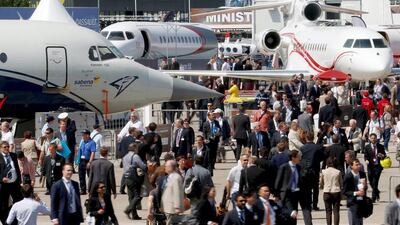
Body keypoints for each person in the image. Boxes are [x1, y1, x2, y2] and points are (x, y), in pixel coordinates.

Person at [275, 150, 301, 225]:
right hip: (286, 194)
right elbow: (278, 181)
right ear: (293, 158)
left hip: (295, 194)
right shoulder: (284, 167)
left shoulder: (298, 167)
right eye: (298, 157)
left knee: (294, 214)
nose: (300, 158)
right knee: (289, 213)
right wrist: (277, 195)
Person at [299, 131, 324, 211]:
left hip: (305, 170)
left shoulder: (302, 148)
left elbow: (301, 159)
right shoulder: (317, 147)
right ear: (313, 138)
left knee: (307, 188)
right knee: (315, 188)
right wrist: (316, 161)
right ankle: (314, 205)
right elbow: (322, 157)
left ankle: (308, 203)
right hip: (315, 169)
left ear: (306, 138)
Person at [0, 141, 23, 224]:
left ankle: (17, 219)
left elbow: (17, 168)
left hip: (14, 183)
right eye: (4, 147)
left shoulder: (13, 155)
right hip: (4, 184)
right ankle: (5, 220)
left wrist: (20, 180)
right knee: (4, 204)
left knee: (18, 201)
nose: (7, 148)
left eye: (7, 147)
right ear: (0, 148)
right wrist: (1, 179)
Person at [123, 143, 147, 220]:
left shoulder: (125, 156)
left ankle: (134, 215)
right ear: (134, 148)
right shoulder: (135, 156)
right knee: (137, 196)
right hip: (134, 178)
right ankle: (128, 209)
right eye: (136, 148)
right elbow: (143, 166)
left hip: (126, 178)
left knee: (131, 197)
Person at [343, 159, 367, 225]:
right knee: (353, 222)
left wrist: (365, 186)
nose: (359, 166)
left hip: (361, 202)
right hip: (353, 202)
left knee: (360, 222)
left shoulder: (362, 174)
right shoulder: (348, 177)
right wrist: (356, 193)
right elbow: (344, 191)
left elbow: (365, 188)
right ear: (351, 166)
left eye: (359, 164)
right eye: (356, 165)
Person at [364, 133, 386, 202]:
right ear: (370, 139)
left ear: (376, 139)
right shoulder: (367, 147)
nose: (373, 139)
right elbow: (365, 155)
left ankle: (373, 198)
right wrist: (366, 160)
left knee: (375, 182)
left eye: (374, 138)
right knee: (370, 181)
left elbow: (384, 155)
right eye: (372, 138)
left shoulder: (380, 146)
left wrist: (382, 155)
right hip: (370, 166)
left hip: (378, 166)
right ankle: (377, 192)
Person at [320, 157, 342, 225]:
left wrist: (322, 186)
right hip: (336, 191)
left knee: (328, 211)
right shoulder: (338, 172)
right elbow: (341, 183)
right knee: (336, 211)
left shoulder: (324, 171)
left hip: (327, 192)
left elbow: (321, 183)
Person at [161, 160, 184, 225]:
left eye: (166, 166)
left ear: (170, 167)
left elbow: (177, 192)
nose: (164, 168)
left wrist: (177, 207)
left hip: (172, 208)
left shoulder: (176, 177)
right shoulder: (170, 176)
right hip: (168, 208)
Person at [76, 129, 96, 195]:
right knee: (81, 176)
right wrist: (77, 160)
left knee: (90, 176)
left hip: (88, 161)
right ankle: (83, 189)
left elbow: (93, 153)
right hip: (81, 161)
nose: (82, 136)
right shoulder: (82, 142)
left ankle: (91, 189)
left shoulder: (92, 142)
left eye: (83, 135)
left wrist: (90, 162)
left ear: (87, 135)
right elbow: (80, 151)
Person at [118, 127, 136, 194]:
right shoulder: (132, 140)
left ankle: (122, 188)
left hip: (124, 158)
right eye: (135, 131)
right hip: (130, 157)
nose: (136, 133)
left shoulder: (124, 139)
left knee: (126, 173)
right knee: (128, 173)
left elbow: (119, 149)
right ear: (132, 132)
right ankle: (125, 188)